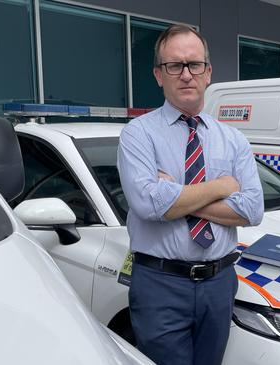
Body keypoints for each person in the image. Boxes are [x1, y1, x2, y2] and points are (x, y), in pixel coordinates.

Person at [117, 24, 264, 365]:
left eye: (194, 64)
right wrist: (223, 187)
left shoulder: (233, 140)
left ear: (208, 72)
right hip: (159, 283)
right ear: (158, 75)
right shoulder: (137, 135)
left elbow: (253, 209)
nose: (186, 74)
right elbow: (148, 203)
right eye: (174, 65)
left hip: (220, 282)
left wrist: (176, 196)